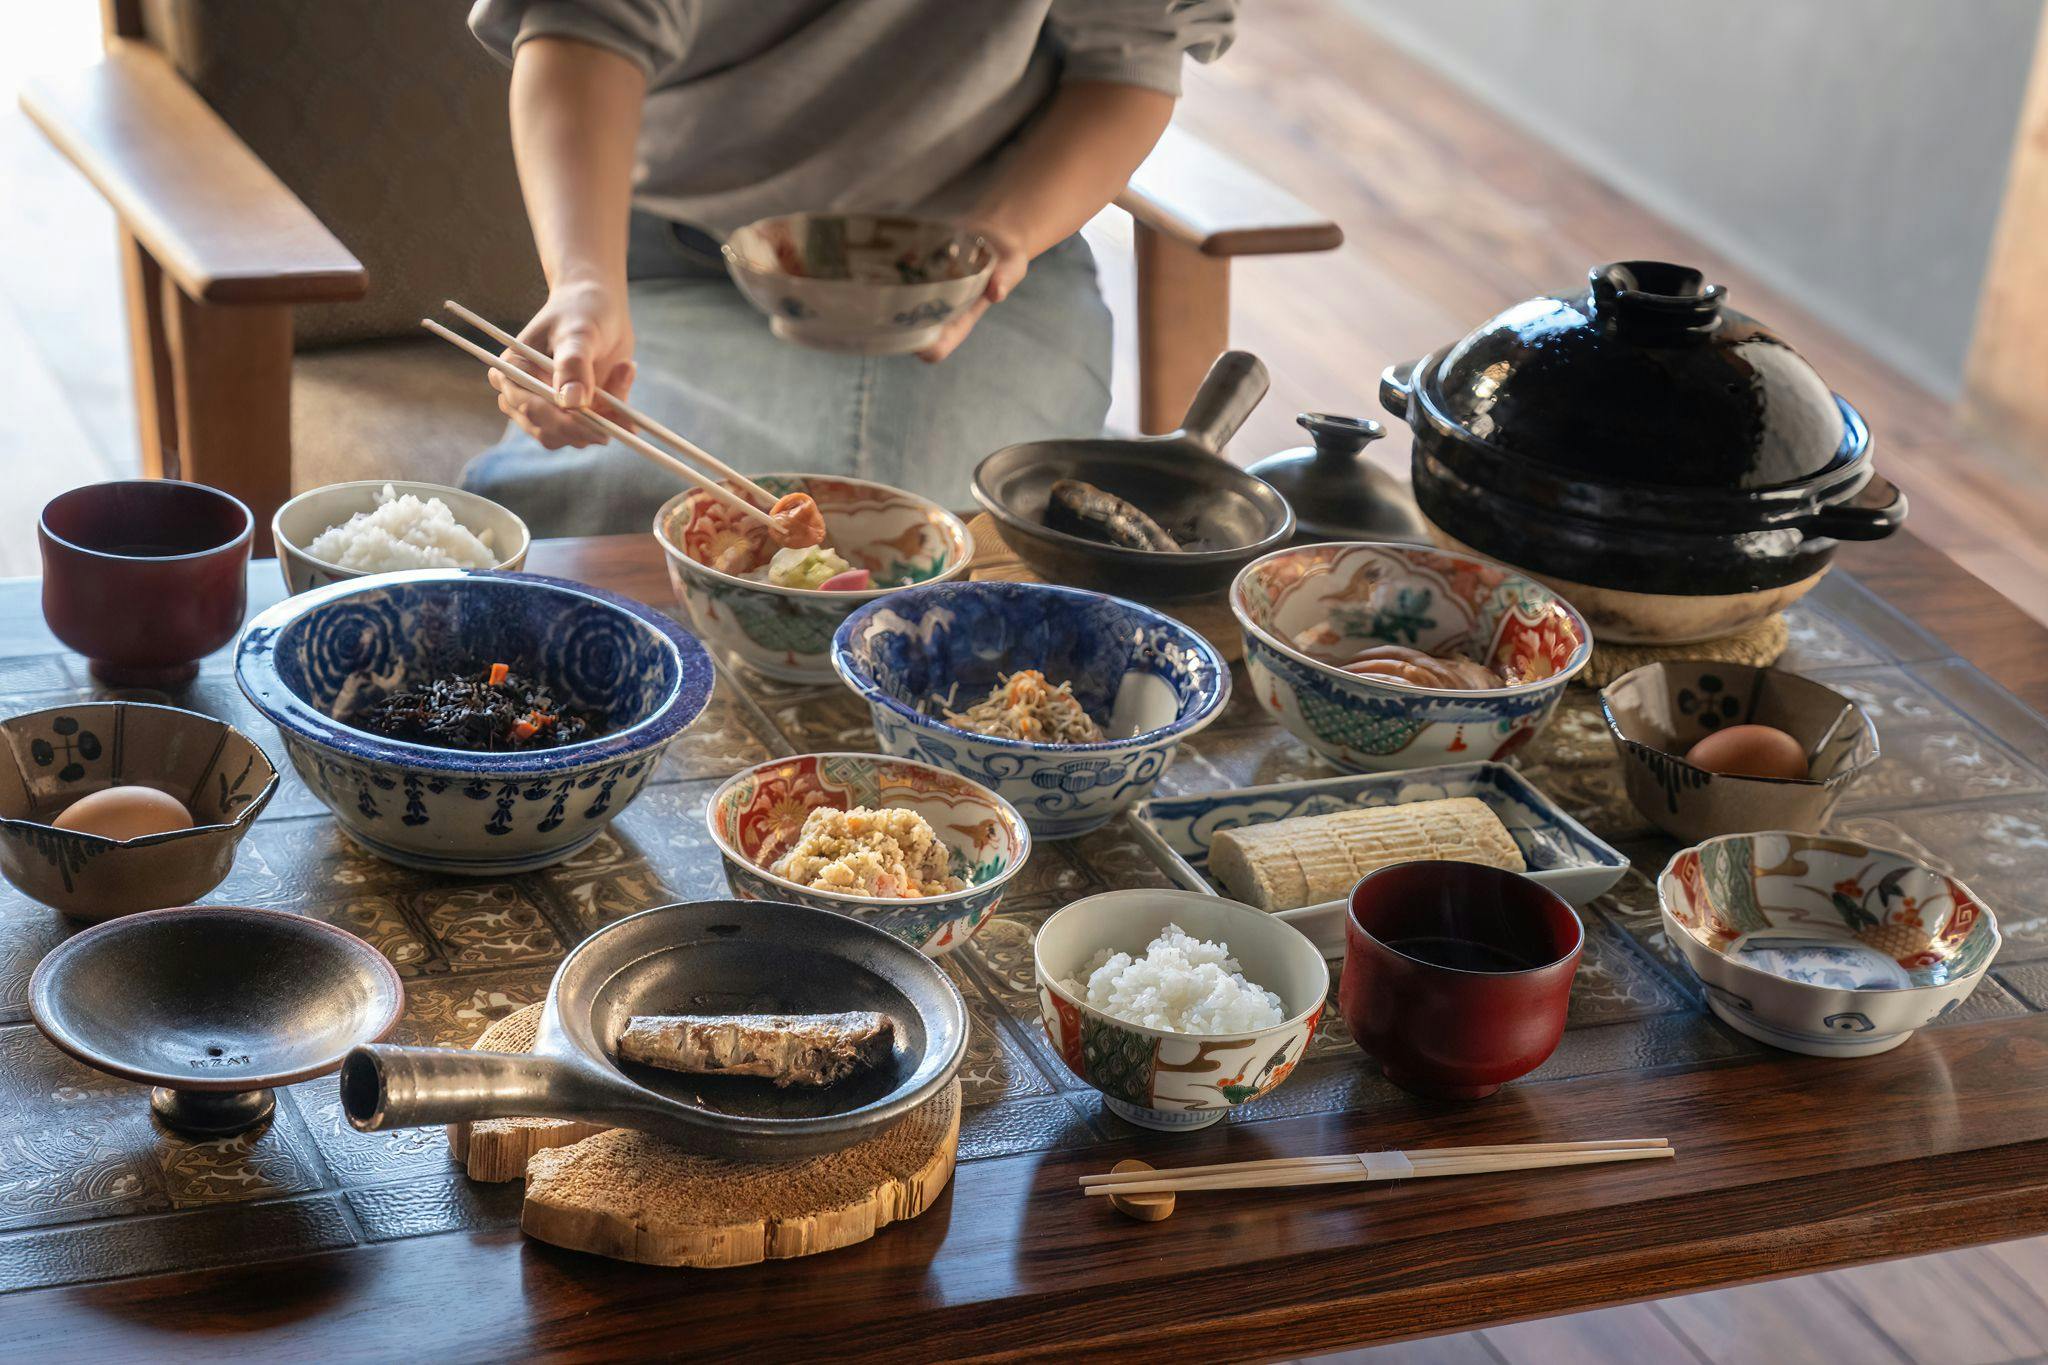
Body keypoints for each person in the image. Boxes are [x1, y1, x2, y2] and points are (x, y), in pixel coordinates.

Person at [462, 0, 1236, 537]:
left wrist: (1005, 233)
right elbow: (587, 27)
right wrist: (586, 280)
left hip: (987, 283)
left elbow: (1131, 53)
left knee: (970, 539)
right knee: (604, 516)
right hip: (683, 266)